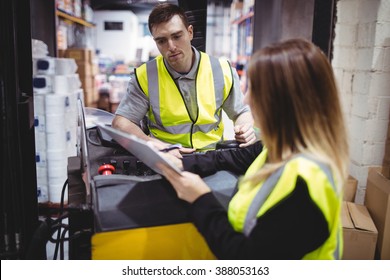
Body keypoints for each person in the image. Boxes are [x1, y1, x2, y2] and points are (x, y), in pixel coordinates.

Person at [158, 38, 349, 259]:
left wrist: (200, 199)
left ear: (283, 102)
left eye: (254, 90)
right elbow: (236, 157)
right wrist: (183, 162)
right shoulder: (282, 148)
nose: (247, 99)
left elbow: (247, 259)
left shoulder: (305, 184)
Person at [112, 3, 256, 156]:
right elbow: (121, 123)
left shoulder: (222, 70)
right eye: (162, 41)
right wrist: (154, 144)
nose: (171, 46)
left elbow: (241, 112)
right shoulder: (145, 76)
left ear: (190, 32)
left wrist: (245, 128)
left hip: (213, 157)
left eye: (176, 36)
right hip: (167, 157)